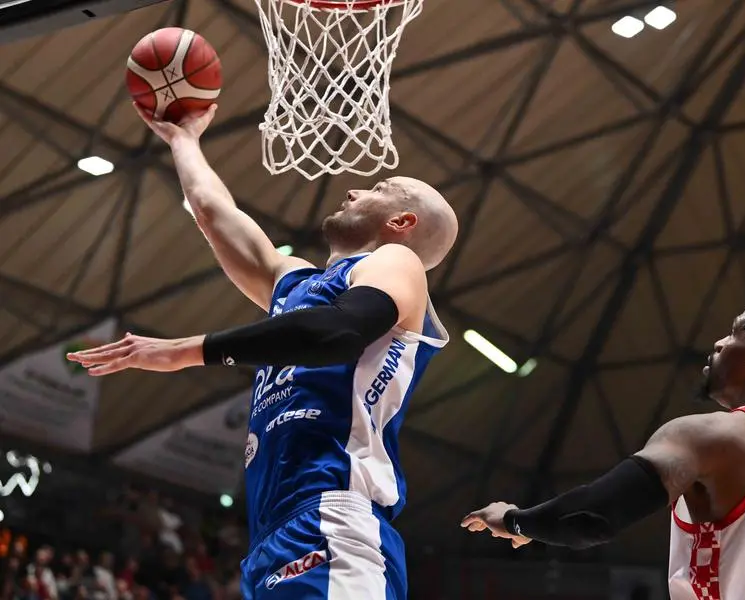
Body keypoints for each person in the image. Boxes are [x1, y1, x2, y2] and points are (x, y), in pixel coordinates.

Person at [68, 103, 458, 600]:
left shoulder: (396, 262)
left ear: (402, 222)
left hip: (333, 517)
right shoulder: (297, 284)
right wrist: (183, 141)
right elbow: (214, 215)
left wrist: (187, 350)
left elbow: (338, 333)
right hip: (272, 535)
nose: (356, 188)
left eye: (379, 189)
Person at [461, 301, 745, 598]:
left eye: (734, 335)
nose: (719, 344)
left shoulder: (711, 438)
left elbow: (591, 518)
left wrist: (516, 520)